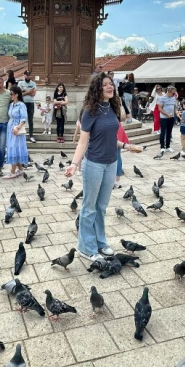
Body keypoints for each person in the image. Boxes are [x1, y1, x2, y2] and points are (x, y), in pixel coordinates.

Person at [65, 73, 141, 261]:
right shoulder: (89, 111)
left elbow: (109, 137)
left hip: (111, 163)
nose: (109, 87)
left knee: (102, 206)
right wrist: (74, 164)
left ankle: (101, 242)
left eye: (111, 84)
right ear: (97, 88)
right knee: (89, 206)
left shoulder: (112, 107)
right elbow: (83, 142)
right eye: (105, 84)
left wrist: (125, 146)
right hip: (94, 164)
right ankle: (86, 246)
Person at [4, 85, 29, 179]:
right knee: (12, 147)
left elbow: (23, 118)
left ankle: (13, 171)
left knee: (14, 147)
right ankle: (20, 169)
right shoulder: (11, 104)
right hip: (10, 127)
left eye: (12, 94)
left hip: (17, 128)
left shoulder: (21, 105)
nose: (10, 95)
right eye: (10, 93)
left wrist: (18, 127)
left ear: (17, 94)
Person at [17, 70, 37, 143]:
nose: (28, 76)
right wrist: (28, 92)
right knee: (21, 119)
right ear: (24, 75)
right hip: (23, 103)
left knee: (30, 120)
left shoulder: (33, 83)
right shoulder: (20, 83)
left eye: (29, 75)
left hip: (30, 103)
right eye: (26, 75)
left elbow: (33, 94)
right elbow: (19, 94)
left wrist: (24, 91)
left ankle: (31, 135)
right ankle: (20, 134)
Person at [157, 86, 178, 155]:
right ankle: (162, 146)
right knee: (163, 132)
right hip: (164, 117)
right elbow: (159, 108)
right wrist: (166, 114)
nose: (173, 94)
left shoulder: (173, 98)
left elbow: (174, 106)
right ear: (168, 92)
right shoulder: (162, 98)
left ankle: (168, 146)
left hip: (171, 117)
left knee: (169, 132)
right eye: (172, 93)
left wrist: (176, 112)